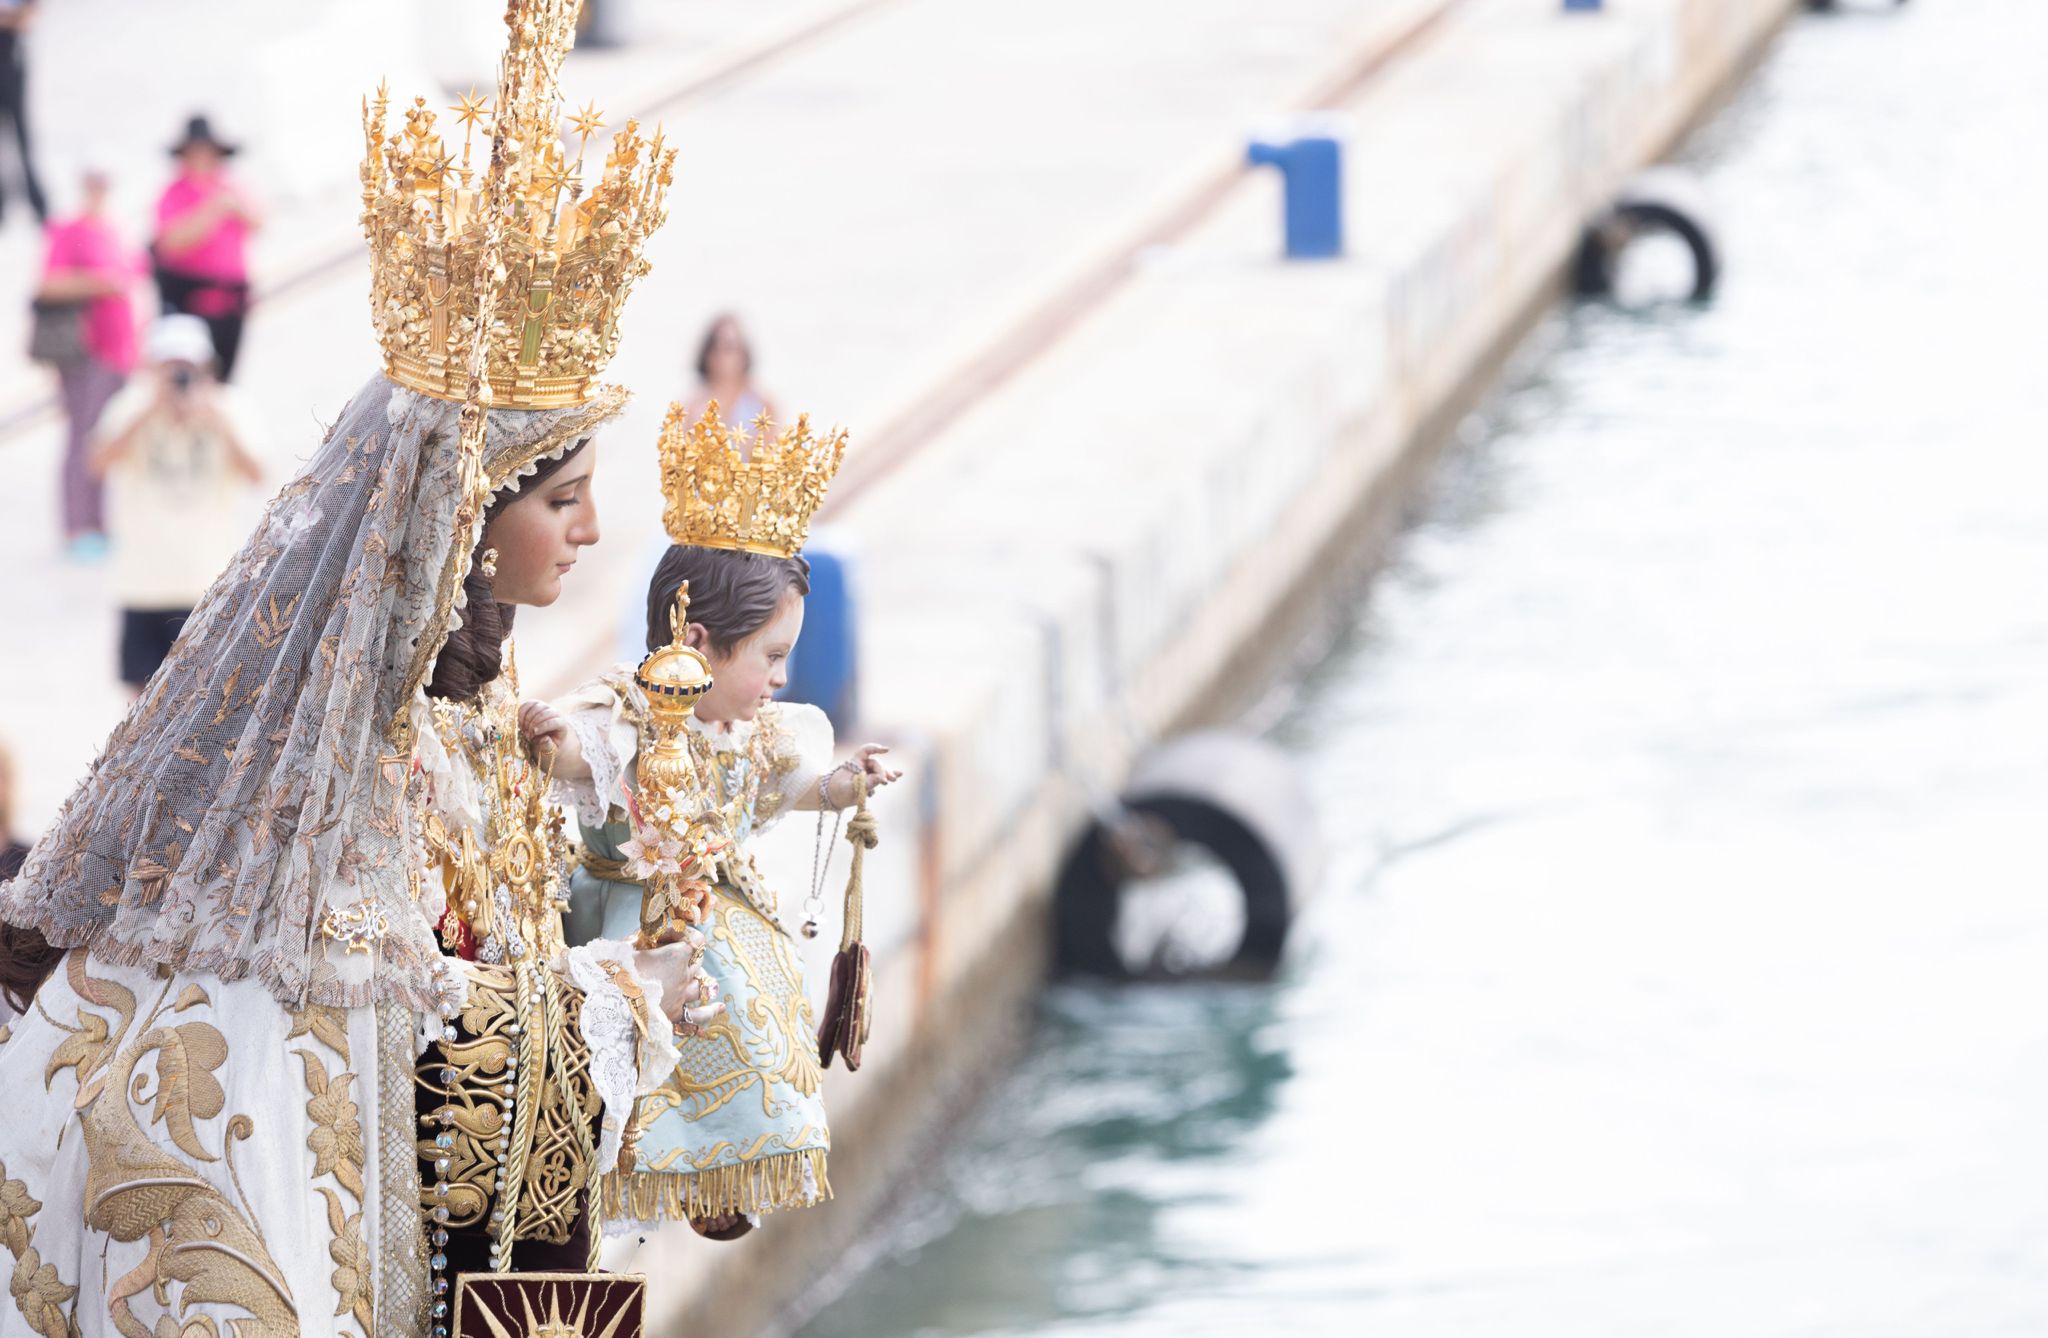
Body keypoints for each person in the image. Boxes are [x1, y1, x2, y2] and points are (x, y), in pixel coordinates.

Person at [0, 2, 690, 1328]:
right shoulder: (354, 771)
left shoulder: (460, 709)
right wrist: (619, 1003)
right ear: (466, 524)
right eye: (567, 499)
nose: (595, 530)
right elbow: (384, 1052)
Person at [528, 401, 900, 1239]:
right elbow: (587, 752)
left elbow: (797, 786)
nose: (780, 677)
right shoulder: (634, 714)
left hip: (723, 908)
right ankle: (673, 1164)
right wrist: (551, 746)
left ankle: (729, 1165)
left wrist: (849, 783)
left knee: (767, 1023)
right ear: (697, 638)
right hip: (637, 913)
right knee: (678, 1023)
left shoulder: (755, 732)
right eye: (770, 656)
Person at [89, 314, 262, 692]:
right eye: (170, 367)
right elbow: (97, 463)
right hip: (141, 584)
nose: (179, 377)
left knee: (205, 695)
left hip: (206, 584)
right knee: (140, 700)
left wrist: (215, 419)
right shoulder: (130, 406)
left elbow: (257, 473)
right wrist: (149, 411)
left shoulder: (227, 407)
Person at [614, 314, 782, 663]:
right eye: (719, 347)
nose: (725, 357)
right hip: (705, 514)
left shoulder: (763, 403)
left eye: (732, 347)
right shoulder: (694, 405)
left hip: (747, 512)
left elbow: (770, 459)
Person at [36, 162, 141, 558]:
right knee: (83, 435)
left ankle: (97, 522)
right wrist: (100, 283)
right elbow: (48, 284)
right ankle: (77, 527)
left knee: (105, 437)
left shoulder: (115, 228)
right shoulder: (70, 229)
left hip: (118, 352)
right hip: (86, 350)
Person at [151, 115, 259, 379]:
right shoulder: (174, 193)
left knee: (224, 378)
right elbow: (171, 243)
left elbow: (259, 222)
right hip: (191, 301)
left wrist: (233, 207)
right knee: (194, 377)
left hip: (232, 302)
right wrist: (212, 210)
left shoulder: (231, 186)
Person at [0, 2, 47, 226]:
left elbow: (29, 16)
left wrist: (11, 19)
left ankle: (37, 202)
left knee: (22, 137)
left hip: (11, 55)